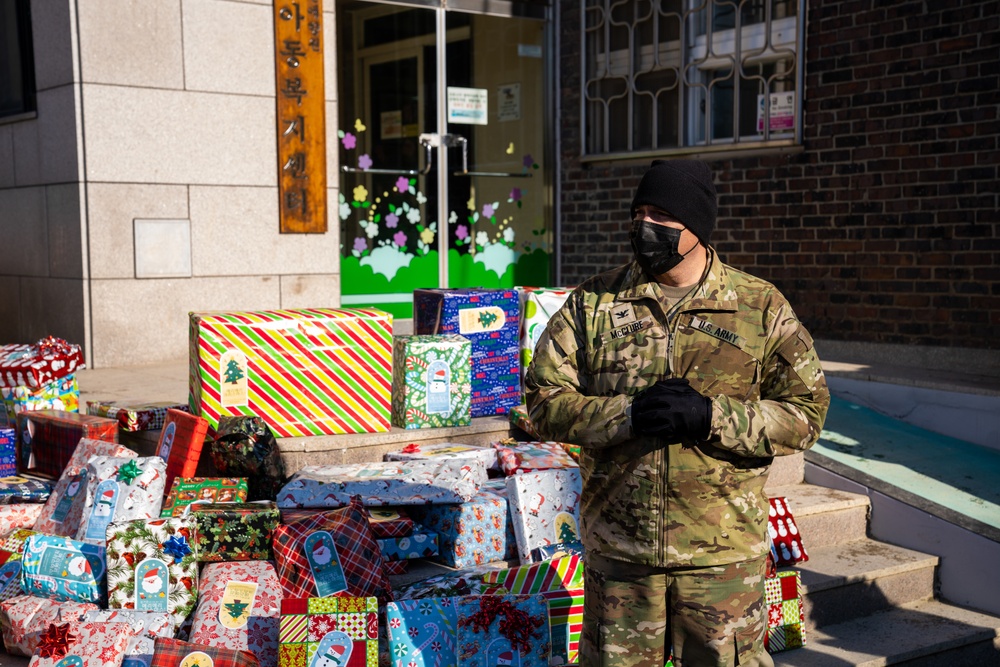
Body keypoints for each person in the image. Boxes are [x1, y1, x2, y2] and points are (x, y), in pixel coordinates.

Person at [524, 159, 830, 667]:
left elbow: (806, 414)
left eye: (662, 214)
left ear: (698, 225)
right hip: (622, 556)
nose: (646, 226)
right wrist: (627, 415)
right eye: (639, 211)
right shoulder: (594, 303)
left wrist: (713, 417)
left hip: (722, 558)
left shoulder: (759, 307)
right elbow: (543, 403)